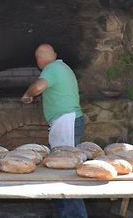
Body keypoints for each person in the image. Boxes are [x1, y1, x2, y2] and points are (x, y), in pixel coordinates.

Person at [22, 43, 87, 218]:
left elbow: (38, 87)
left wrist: (27, 95)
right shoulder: (63, 67)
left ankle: (75, 215)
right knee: (63, 168)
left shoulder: (51, 68)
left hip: (66, 121)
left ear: (39, 60)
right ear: (55, 54)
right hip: (68, 120)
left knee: (68, 172)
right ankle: (65, 212)